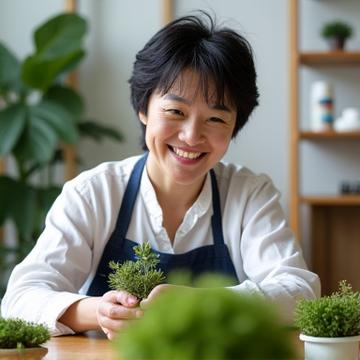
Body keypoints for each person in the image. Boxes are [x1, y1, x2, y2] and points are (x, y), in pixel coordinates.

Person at [1, 12, 320, 340]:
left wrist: (202, 302)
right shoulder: (94, 193)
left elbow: (299, 291)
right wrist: (98, 311)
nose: (192, 136)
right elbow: (20, 298)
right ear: (143, 108)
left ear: (234, 125)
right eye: (176, 112)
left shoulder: (250, 194)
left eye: (215, 119)